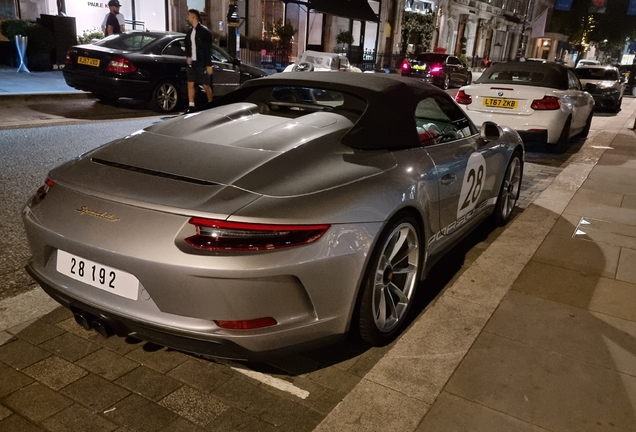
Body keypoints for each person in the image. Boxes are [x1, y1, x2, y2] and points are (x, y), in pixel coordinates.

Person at [184, 9, 213, 111]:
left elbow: (208, 49)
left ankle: (210, 103)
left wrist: (208, 64)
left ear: (193, 17)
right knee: (190, 83)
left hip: (202, 62)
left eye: (189, 15)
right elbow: (187, 45)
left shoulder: (204, 32)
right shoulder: (190, 32)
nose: (187, 17)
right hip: (193, 62)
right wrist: (188, 56)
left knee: (206, 84)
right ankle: (191, 105)